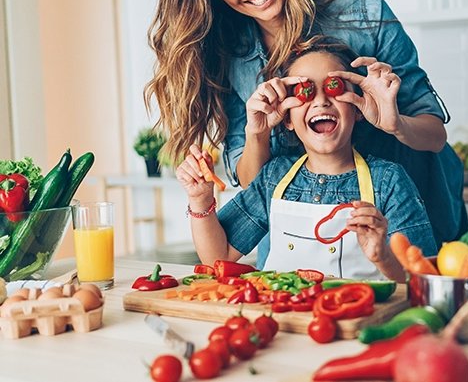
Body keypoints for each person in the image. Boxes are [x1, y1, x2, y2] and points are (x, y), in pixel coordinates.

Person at [145, 0, 467, 262]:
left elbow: (434, 134)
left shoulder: (363, 11)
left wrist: (396, 125)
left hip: (401, 221)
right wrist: (257, 132)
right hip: (301, 241)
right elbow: (255, 183)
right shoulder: (225, 53)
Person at [176, 41, 437, 282]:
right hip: (281, 323)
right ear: (287, 118)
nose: (321, 101)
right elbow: (217, 257)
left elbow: (422, 279)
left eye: (334, 88)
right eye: (305, 92)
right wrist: (200, 199)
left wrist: (383, 257)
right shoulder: (274, 177)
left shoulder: (389, 180)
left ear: (357, 108)